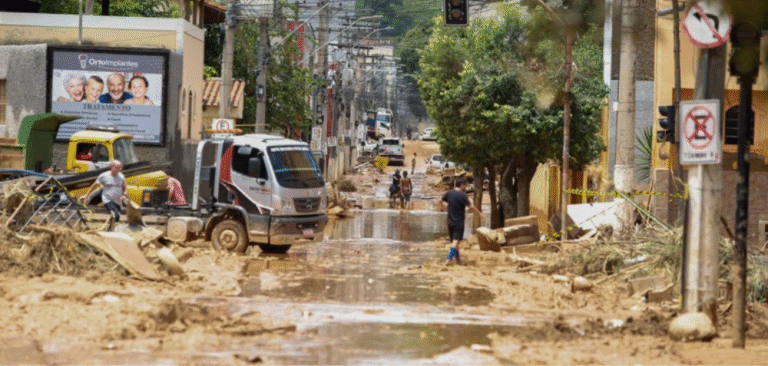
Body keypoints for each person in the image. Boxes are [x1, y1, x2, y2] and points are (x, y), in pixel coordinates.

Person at [440, 178, 481, 265]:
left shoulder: (449, 193)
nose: (466, 187)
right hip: (459, 222)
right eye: (466, 185)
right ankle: (449, 258)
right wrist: (479, 213)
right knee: (456, 241)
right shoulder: (463, 195)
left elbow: (440, 200)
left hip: (449, 221)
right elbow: (471, 207)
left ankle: (458, 260)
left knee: (454, 241)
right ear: (462, 184)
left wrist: (441, 208)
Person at [80, 160, 127, 227]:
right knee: (115, 214)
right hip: (107, 199)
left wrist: (124, 195)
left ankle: (110, 229)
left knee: (117, 216)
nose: (119, 170)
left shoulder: (121, 176)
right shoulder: (103, 176)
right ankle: (113, 229)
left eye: (120, 168)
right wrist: (87, 195)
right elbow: (94, 186)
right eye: (117, 168)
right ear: (112, 167)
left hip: (118, 200)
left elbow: (124, 187)